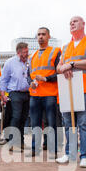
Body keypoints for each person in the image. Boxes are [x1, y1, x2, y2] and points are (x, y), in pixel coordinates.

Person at [56, 16, 86, 168]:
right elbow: (58, 67)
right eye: (70, 22)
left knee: (83, 124)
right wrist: (63, 68)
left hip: (84, 88)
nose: (72, 24)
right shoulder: (65, 47)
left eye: (75, 21)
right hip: (67, 89)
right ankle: (69, 154)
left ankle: (85, 155)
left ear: (83, 24)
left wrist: (70, 65)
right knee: (69, 124)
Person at [26, 27, 62, 158]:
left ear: (49, 37)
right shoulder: (32, 56)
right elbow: (28, 75)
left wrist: (46, 78)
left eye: (43, 34)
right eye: (39, 34)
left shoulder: (56, 51)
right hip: (35, 94)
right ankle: (35, 148)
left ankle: (53, 149)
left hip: (50, 94)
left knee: (52, 123)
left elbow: (60, 73)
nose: (41, 36)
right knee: (35, 123)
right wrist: (30, 81)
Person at [0, 42, 31, 151]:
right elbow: (3, 80)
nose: (26, 54)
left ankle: (21, 142)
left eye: (27, 52)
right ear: (18, 52)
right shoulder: (10, 63)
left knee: (23, 118)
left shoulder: (30, 61)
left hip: (27, 93)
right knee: (15, 117)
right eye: (24, 52)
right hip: (14, 93)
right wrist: (3, 95)